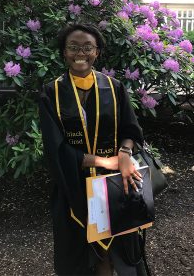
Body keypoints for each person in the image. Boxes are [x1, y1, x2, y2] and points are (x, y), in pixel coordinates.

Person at [39, 23, 149, 276]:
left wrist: (123, 154)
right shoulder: (51, 93)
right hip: (74, 184)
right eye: (73, 47)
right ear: (64, 53)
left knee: (121, 251)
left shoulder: (114, 87)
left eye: (88, 47)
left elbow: (130, 130)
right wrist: (104, 161)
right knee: (82, 253)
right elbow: (56, 149)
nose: (81, 53)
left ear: (97, 52)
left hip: (115, 182)